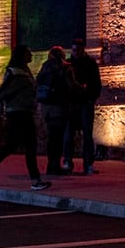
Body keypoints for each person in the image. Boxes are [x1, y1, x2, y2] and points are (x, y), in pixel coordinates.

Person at [0, 45, 51, 190]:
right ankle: (36, 180)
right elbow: (3, 90)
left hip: (23, 112)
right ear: (22, 55)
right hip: (19, 113)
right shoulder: (15, 72)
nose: (31, 56)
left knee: (10, 146)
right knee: (30, 146)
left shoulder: (23, 71)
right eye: (28, 53)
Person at [37, 45, 81, 175]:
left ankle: (51, 164)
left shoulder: (45, 66)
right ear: (62, 55)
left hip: (46, 108)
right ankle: (55, 165)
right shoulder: (65, 68)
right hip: (60, 107)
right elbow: (72, 86)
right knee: (59, 137)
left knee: (52, 137)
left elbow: (38, 82)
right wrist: (82, 88)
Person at [65, 38, 102, 174]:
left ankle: (88, 164)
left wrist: (91, 98)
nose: (76, 52)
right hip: (71, 103)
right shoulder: (68, 63)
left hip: (85, 102)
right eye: (74, 50)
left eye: (78, 50)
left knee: (87, 134)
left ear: (83, 49)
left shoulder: (90, 63)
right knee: (69, 134)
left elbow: (96, 83)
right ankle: (68, 161)